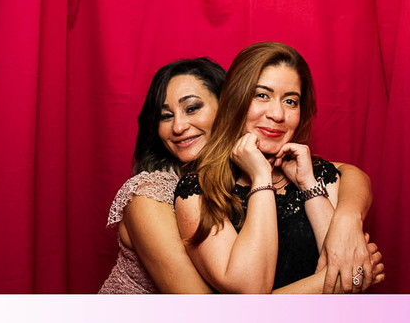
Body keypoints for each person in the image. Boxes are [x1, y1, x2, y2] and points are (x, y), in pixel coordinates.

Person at [99, 56, 380, 294]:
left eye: (192, 108)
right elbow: (211, 311)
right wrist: (338, 278)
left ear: (229, 105)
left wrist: (348, 218)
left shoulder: (249, 171)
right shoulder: (151, 195)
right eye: (165, 116)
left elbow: (348, 172)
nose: (179, 126)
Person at [176, 42, 373, 292]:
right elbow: (250, 289)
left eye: (290, 101)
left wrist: (314, 189)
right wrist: (261, 177)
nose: (278, 114)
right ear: (236, 99)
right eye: (262, 95)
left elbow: (347, 281)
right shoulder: (198, 190)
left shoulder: (317, 175)